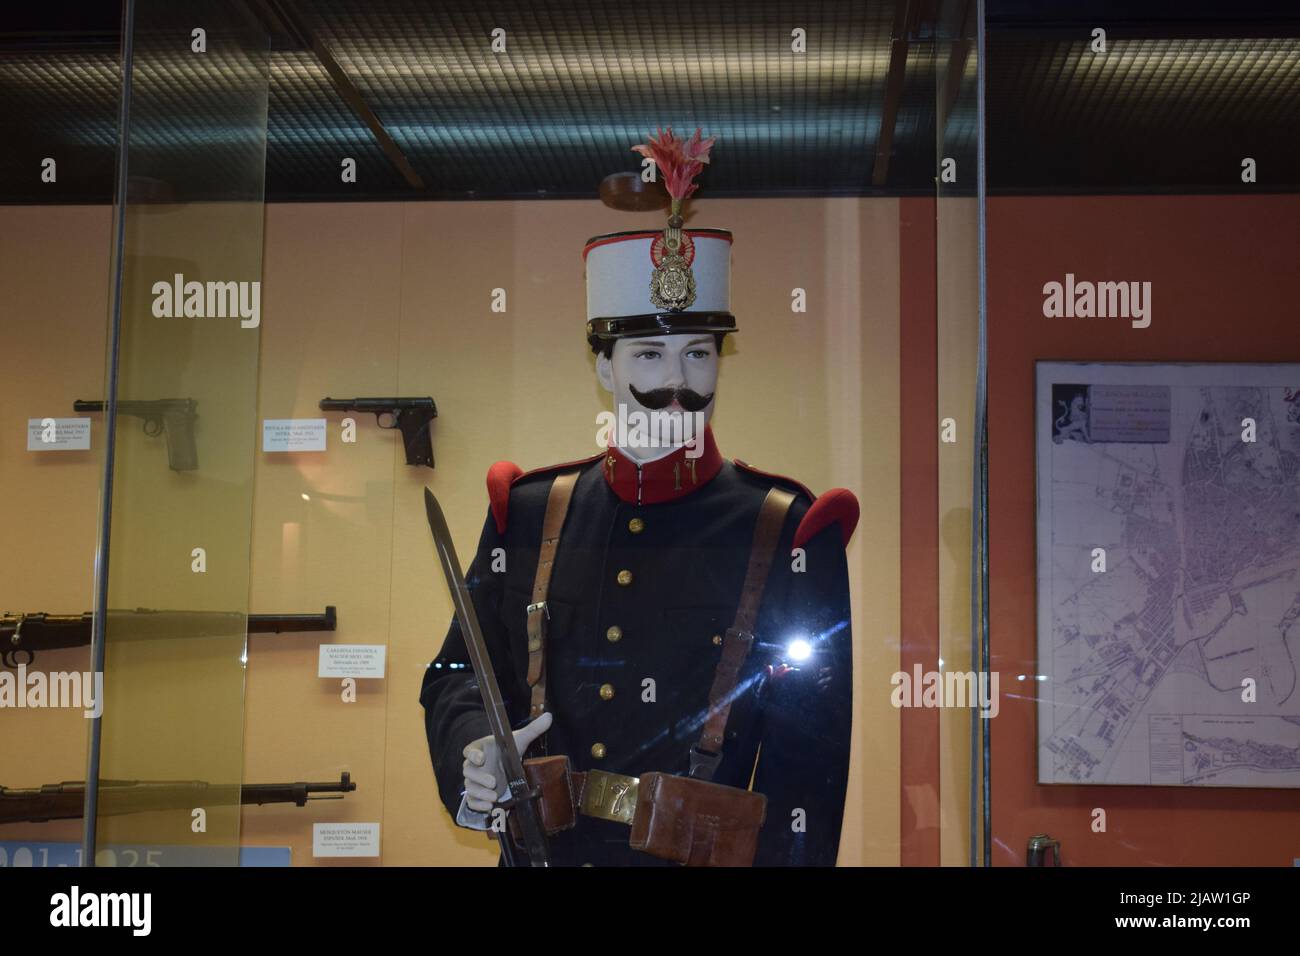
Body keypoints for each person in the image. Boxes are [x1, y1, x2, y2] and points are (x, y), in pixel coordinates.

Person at [420, 128, 857, 866]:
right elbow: (457, 674)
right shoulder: (527, 513)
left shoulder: (786, 532)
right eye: (648, 354)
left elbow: (806, 769)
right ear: (603, 366)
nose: (676, 381)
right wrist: (474, 748)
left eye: (698, 352)